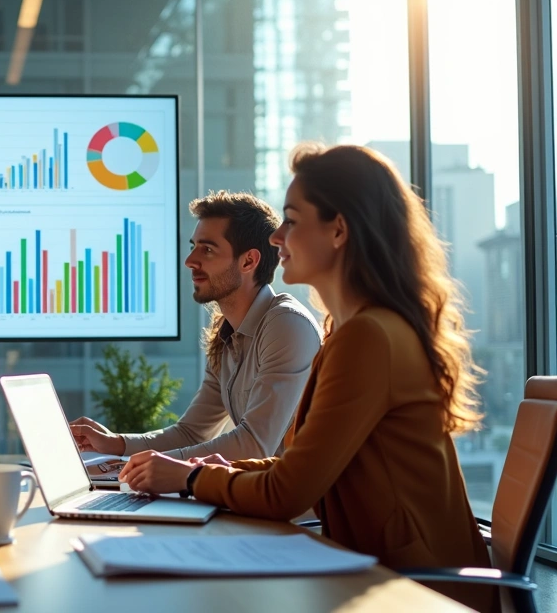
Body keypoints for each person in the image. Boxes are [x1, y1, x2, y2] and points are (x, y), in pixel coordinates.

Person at [118, 144, 492, 611]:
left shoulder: (368, 337)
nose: (277, 237)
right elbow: (295, 466)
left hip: (415, 590)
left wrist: (191, 478)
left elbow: (287, 492)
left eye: (292, 220)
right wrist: (207, 471)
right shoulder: (348, 331)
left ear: (339, 230)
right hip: (373, 572)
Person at [71, 192, 321, 461]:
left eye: (208, 249)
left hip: (297, 489)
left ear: (248, 261)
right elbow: (191, 433)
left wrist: (158, 465)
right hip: (257, 486)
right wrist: (116, 444)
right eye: (194, 247)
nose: (190, 261)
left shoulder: (286, 325)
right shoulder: (226, 335)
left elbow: (254, 445)